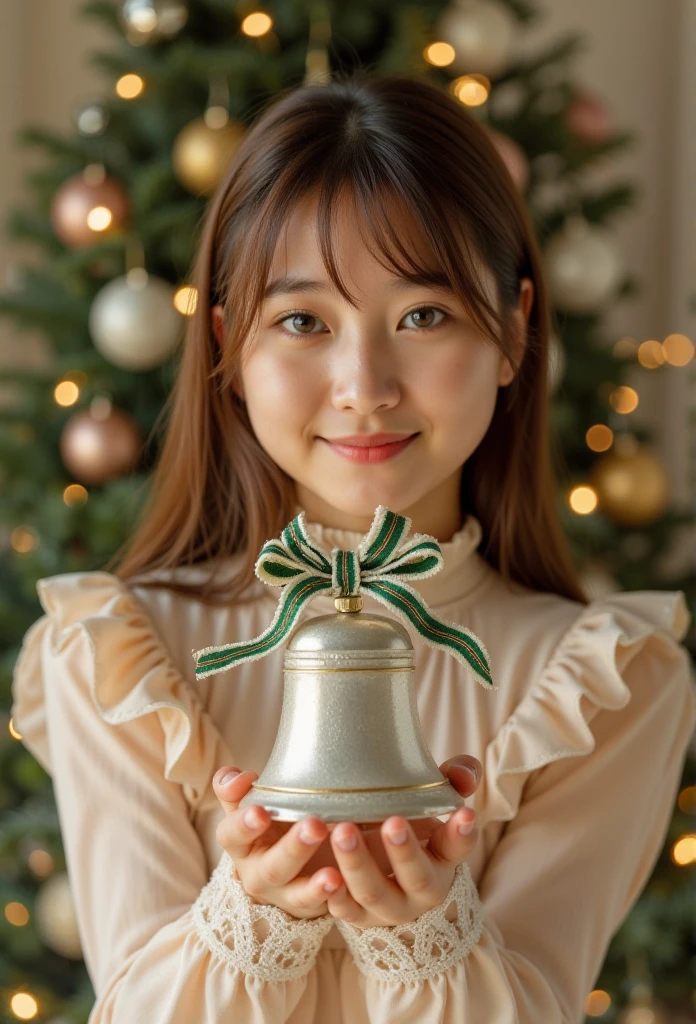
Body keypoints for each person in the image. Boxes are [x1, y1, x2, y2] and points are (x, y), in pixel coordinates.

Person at [11, 71, 696, 1023]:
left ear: (512, 332)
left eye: (425, 315)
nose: (363, 384)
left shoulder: (608, 686)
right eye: (302, 322)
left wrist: (424, 934)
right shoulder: (120, 654)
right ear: (227, 349)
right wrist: (254, 913)